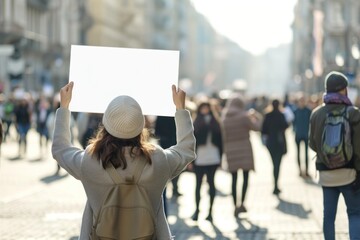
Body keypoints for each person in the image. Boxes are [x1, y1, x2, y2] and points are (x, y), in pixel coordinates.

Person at [52, 82, 196, 239]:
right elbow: (186, 149)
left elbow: (60, 149)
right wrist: (181, 109)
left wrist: (64, 107)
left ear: (106, 124)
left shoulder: (90, 160)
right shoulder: (158, 160)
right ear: (141, 125)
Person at [309, 71, 360, 240]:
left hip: (326, 174)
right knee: (354, 214)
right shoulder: (353, 112)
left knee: (328, 217)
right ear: (344, 90)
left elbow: (312, 144)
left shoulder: (317, 113)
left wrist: (327, 156)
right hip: (349, 174)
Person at [221, 95, 263, 216]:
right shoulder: (244, 117)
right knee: (245, 178)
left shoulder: (225, 118)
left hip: (230, 151)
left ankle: (234, 205)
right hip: (245, 150)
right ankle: (242, 204)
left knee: (234, 179)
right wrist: (256, 115)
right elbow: (257, 127)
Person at [191, 101, 223, 222]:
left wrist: (221, 157)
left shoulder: (215, 121)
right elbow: (192, 141)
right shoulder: (196, 122)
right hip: (199, 157)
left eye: (207, 108)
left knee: (211, 184)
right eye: (203, 108)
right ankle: (197, 210)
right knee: (198, 185)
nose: (205, 110)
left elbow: (220, 140)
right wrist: (190, 159)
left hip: (213, 156)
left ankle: (210, 212)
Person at [261, 99, 289, 195]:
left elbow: (263, 130)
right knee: (277, 165)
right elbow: (285, 126)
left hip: (271, 143)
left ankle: (275, 185)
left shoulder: (267, 115)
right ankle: (276, 185)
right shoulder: (281, 115)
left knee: (274, 164)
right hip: (280, 143)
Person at [293, 93, 312, 177]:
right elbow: (293, 123)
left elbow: (311, 123)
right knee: (298, 153)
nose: (302, 102)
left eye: (303, 100)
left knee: (306, 154)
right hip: (298, 134)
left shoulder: (308, 111)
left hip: (306, 134)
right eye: (300, 100)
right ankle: (300, 170)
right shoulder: (295, 111)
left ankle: (307, 170)